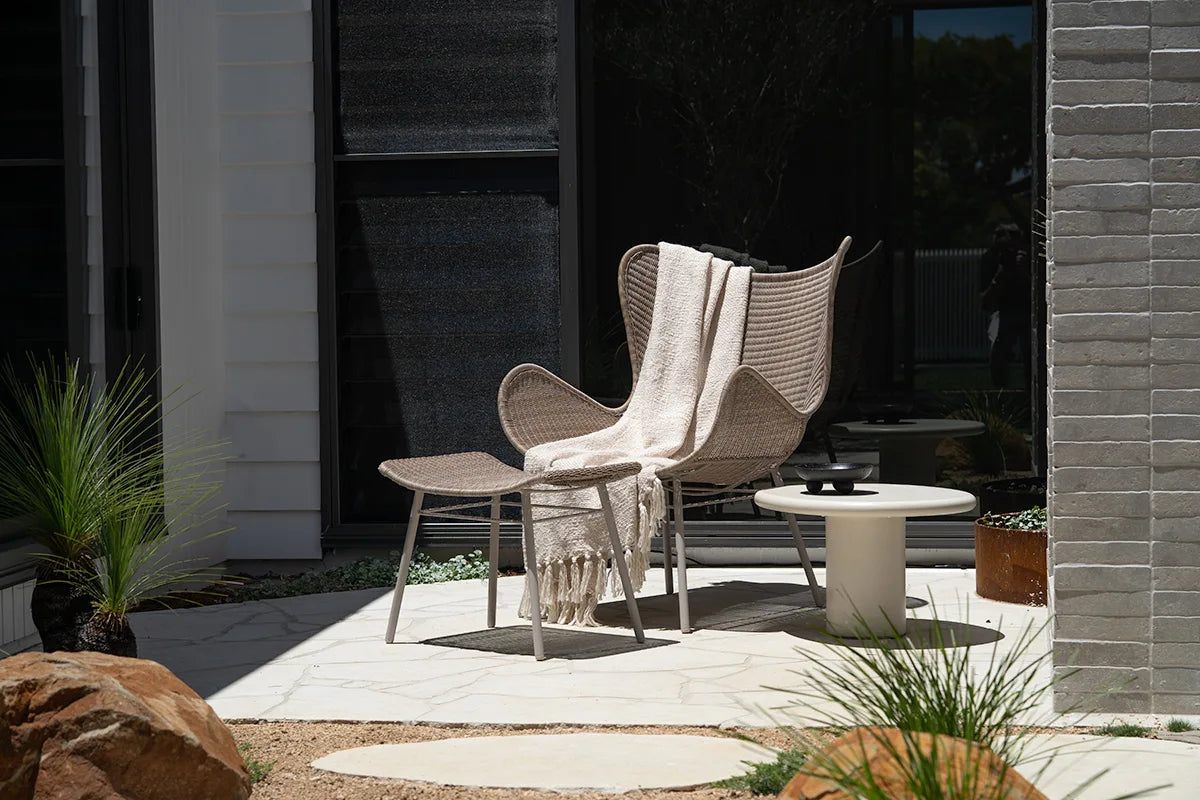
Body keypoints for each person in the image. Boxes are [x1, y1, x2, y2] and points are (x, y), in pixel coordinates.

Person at [979, 224, 1030, 388]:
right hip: (1004, 309)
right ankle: (1001, 392)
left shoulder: (1029, 258)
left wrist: (1025, 271)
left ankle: (1032, 390)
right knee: (998, 347)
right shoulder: (991, 259)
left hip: (1028, 309)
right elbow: (987, 303)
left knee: (1034, 349)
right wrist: (1001, 274)